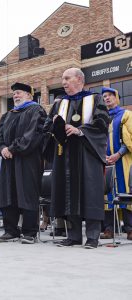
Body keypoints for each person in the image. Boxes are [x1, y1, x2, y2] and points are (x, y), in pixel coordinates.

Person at [43, 68, 109, 249]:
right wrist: (56, 127)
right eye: (62, 78)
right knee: (68, 193)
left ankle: (93, 237)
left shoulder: (95, 99)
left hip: (87, 153)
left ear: (79, 79)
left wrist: (80, 131)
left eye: (67, 78)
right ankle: (73, 236)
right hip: (64, 154)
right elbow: (47, 127)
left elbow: (102, 123)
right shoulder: (58, 103)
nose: (63, 82)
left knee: (90, 193)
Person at [0, 82, 47, 244]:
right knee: (8, 194)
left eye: (19, 93)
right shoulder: (8, 114)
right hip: (8, 161)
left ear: (29, 95)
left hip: (27, 160)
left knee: (27, 193)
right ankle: (11, 231)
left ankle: (30, 232)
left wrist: (13, 148)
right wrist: (2, 147)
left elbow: (33, 135)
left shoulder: (36, 110)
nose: (15, 96)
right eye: (14, 93)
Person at [100, 87, 132, 240]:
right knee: (107, 194)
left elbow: (130, 138)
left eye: (110, 96)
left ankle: (130, 228)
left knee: (125, 191)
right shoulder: (101, 117)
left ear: (116, 97)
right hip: (105, 161)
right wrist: (103, 156)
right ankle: (109, 229)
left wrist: (118, 154)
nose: (106, 98)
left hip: (123, 160)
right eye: (104, 96)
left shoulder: (126, 115)